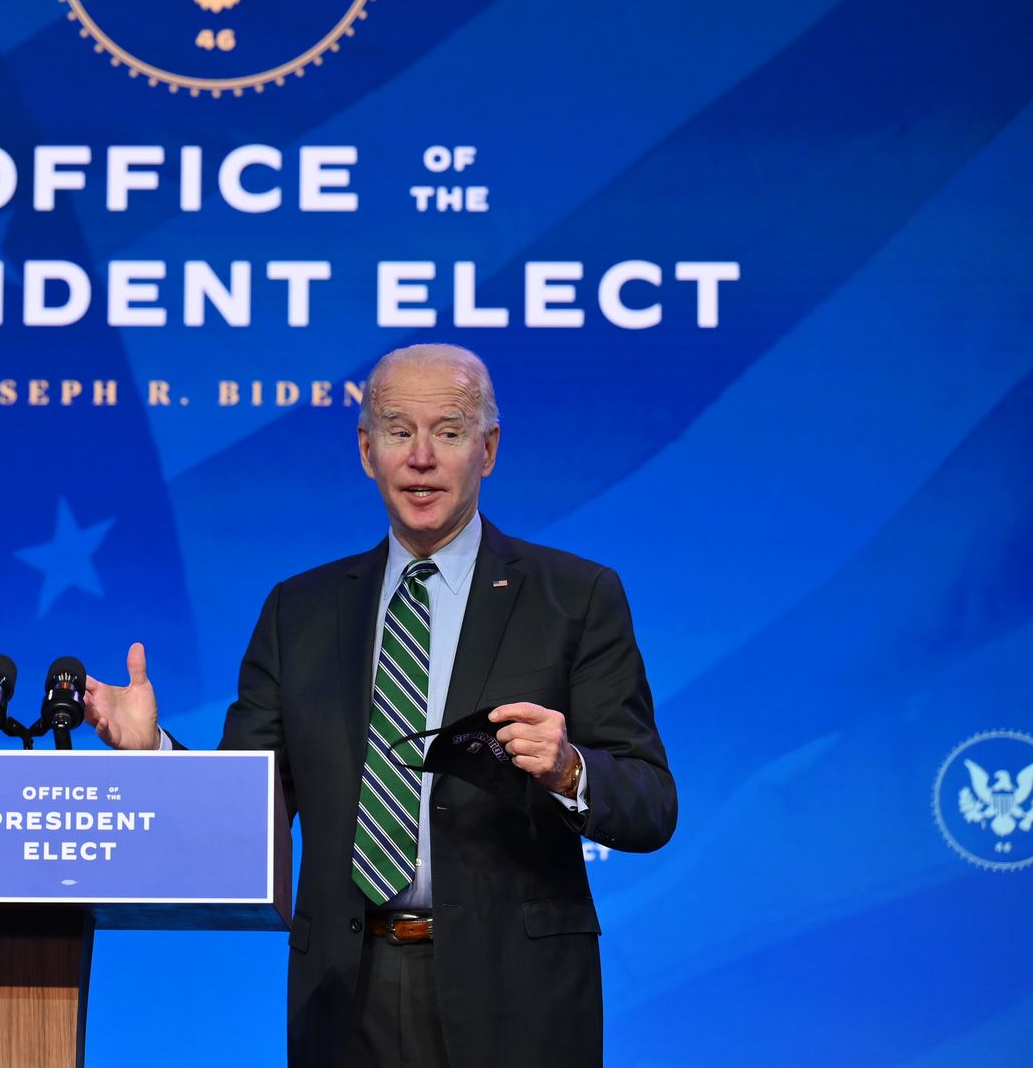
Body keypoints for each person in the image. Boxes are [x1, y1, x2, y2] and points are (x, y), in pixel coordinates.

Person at [85, 344, 676, 1067]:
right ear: (367, 451)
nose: (421, 457)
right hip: (345, 995)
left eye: (449, 432)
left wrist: (570, 769)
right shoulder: (298, 611)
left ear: (488, 450)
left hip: (518, 994)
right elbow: (247, 812)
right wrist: (156, 755)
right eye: (399, 431)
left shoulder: (575, 598)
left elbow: (651, 804)